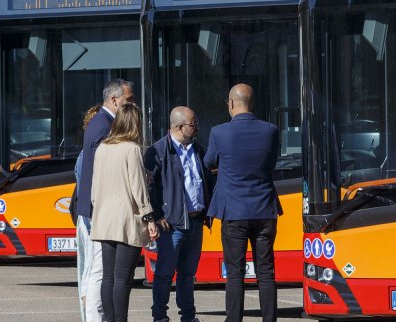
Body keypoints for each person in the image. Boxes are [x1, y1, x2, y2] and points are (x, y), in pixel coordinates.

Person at [204, 84, 282, 322]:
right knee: (266, 272)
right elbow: (271, 164)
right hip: (264, 208)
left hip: (234, 211)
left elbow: (208, 163)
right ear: (252, 102)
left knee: (235, 274)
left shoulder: (219, 133)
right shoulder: (271, 130)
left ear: (231, 103)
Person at [145, 106, 213, 322]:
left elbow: (206, 180)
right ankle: (160, 316)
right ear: (180, 126)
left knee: (188, 274)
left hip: (195, 221)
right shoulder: (158, 150)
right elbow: (148, 187)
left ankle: (188, 316)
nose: (197, 128)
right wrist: (156, 216)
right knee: (165, 273)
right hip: (171, 225)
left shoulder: (198, 150)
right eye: (194, 124)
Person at [91, 102, 158, 322]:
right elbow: (138, 188)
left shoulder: (102, 148)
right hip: (127, 216)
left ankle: (110, 319)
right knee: (123, 277)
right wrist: (149, 216)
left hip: (103, 217)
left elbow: (94, 188)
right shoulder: (132, 149)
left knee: (107, 277)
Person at [73, 79, 133, 322]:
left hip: (94, 208)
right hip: (97, 210)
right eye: (129, 100)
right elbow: (102, 170)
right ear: (115, 100)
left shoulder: (103, 123)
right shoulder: (103, 126)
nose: (133, 105)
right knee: (97, 272)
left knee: (95, 271)